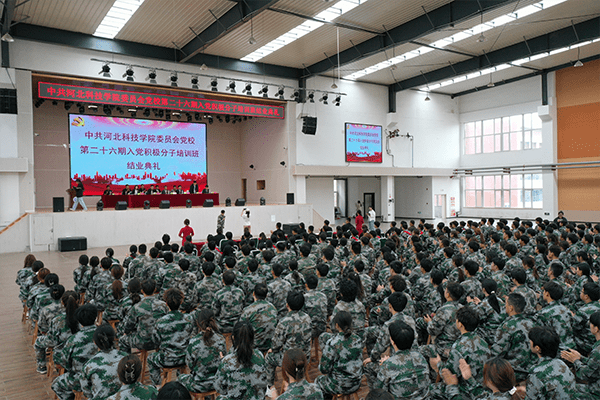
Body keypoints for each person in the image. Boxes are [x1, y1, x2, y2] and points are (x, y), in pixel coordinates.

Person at [214, 320, 269, 400]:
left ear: (233, 338)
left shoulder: (227, 361)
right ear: (252, 338)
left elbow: (218, 387)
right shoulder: (259, 355)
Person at [316, 311, 364, 396]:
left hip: (339, 385)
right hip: (356, 383)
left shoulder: (332, 343)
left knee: (318, 381)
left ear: (337, 325)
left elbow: (324, 370)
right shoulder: (357, 339)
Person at [178, 309, 226, 394]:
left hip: (199, 385)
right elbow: (223, 360)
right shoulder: (221, 339)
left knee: (180, 378)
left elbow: (189, 364)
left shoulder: (194, 342)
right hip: (218, 383)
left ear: (198, 323)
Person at [441, 357, 526, 399]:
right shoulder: (515, 395)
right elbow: (482, 395)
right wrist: (469, 378)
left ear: (491, 382)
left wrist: (451, 386)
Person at [81, 324, 127, 400]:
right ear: (114, 338)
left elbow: (86, 392)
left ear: (95, 342)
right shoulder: (126, 357)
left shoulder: (89, 366)